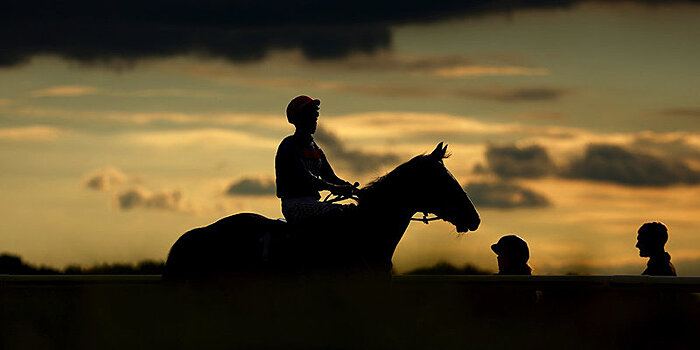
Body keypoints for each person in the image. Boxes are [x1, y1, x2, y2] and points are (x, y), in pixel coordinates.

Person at [275, 95, 357, 223]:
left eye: (315, 117)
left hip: (313, 203)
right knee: (337, 212)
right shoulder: (288, 145)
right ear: (298, 120)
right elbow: (305, 177)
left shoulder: (316, 149)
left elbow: (330, 176)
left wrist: (351, 188)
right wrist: (334, 188)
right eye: (309, 117)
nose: (314, 121)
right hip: (294, 205)